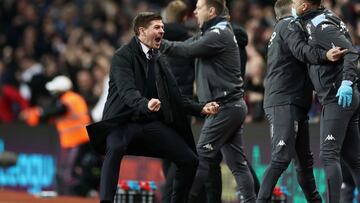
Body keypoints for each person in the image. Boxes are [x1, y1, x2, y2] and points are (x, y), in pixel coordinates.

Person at [86, 12, 219, 203]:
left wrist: (200, 108)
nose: (162, 31)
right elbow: (127, 92)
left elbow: (175, 96)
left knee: (190, 160)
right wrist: (145, 104)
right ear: (142, 31)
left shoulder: (159, 58)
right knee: (114, 148)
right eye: (157, 27)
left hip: (148, 122)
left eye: (163, 27)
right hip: (122, 121)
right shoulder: (122, 56)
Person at [162, 0, 256, 202]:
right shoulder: (211, 32)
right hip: (229, 106)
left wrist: (159, 43)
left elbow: (187, 51)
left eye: (199, 7)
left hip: (224, 106)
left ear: (211, 10)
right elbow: (187, 45)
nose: (194, 11)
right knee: (238, 165)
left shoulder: (218, 34)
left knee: (201, 158)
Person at [257, 0, 345, 202]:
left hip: (293, 100)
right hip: (284, 100)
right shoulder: (289, 24)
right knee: (281, 157)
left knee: (304, 162)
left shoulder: (283, 29)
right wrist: (325, 55)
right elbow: (302, 51)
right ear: (291, 9)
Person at [293, 0, 360, 202]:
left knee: (329, 155)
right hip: (342, 96)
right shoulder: (326, 16)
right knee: (354, 160)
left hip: (337, 97)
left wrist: (347, 82)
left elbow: (351, 52)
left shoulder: (320, 26)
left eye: (295, 1)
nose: (292, 4)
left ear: (304, 5)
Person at [20, 75, 92, 195]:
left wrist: (38, 112)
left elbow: (59, 110)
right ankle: (66, 193)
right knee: (65, 169)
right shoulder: (69, 98)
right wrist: (35, 115)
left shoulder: (70, 98)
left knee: (69, 170)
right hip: (71, 141)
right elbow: (51, 115)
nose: (53, 94)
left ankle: (78, 194)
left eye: (55, 91)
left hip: (79, 140)